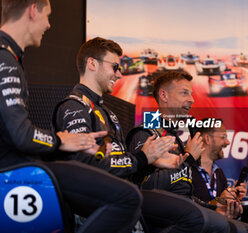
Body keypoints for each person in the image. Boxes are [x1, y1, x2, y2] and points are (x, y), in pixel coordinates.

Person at [0, 1, 144, 232]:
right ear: (32, 10)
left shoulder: (9, 57)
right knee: (128, 198)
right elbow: (20, 136)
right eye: (47, 16)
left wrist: (67, 144)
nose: (48, 25)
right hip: (15, 171)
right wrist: (61, 141)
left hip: (21, 166)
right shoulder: (4, 59)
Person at [53, 37, 208, 233]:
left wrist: (147, 163)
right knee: (195, 220)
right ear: (92, 63)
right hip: (95, 210)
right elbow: (86, 166)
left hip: (122, 204)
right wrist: (143, 158)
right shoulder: (74, 107)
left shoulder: (109, 114)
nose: (119, 74)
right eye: (115, 67)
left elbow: (127, 171)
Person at [126, 70, 248, 233]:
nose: (192, 99)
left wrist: (216, 206)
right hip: (161, 221)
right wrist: (188, 160)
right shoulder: (145, 133)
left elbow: (186, 195)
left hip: (183, 214)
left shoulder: (176, 139)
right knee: (222, 225)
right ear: (164, 95)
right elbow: (144, 187)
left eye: (191, 94)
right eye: (184, 93)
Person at [192, 119, 246, 220]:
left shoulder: (219, 173)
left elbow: (225, 215)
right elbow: (185, 208)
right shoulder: (187, 170)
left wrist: (231, 203)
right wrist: (218, 201)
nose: (228, 142)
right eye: (223, 137)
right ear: (207, 139)